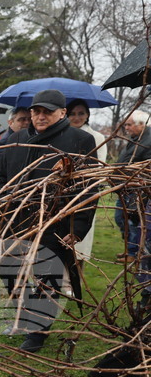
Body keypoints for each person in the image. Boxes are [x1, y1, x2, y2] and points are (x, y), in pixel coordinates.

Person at [0, 89, 97, 353]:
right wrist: (2, 199)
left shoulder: (80, 140)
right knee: (10, 272)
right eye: (36, 111)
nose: (40, 116)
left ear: (62, 113)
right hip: (14, 221)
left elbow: (89, 188)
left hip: (54, 223)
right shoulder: (17, 138)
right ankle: (20, 318)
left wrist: (79, 228)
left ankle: (37, 333)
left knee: (45, 278)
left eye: (47, 111)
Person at [65, 100, 106, 263]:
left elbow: (99, 167)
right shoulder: (61, 136)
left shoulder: (96, 137)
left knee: (79, 241)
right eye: (73, 114)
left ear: (87, 115)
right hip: (61, 195)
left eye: (81, 113)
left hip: (83, 193)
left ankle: (76, 280)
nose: (77, 117)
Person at [114, 110, 151, 263]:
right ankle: (130, 250)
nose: (126, 128)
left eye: (129, 124)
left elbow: (147, 169)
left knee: (133, 220)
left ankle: (134, 253)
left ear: (141, 125)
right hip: (125, 187)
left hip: (136, 190)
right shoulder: (135, 139)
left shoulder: (148, 142)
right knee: (123, 219)